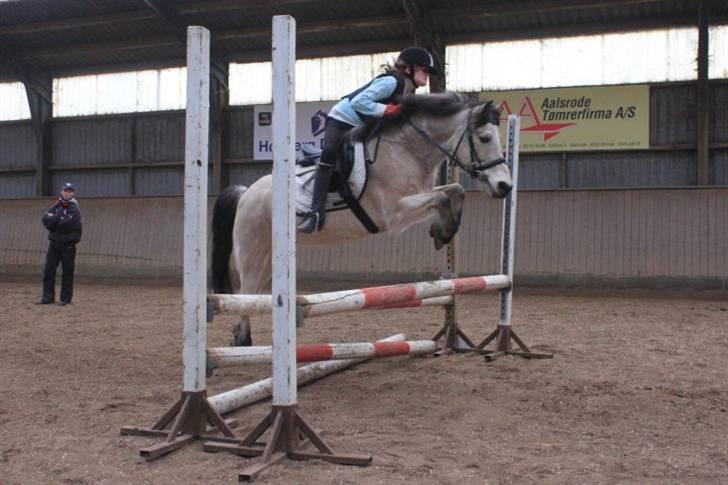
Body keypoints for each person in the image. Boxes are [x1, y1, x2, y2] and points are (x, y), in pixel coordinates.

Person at [298, 47, 438, 233]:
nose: (427, 75)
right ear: (409, 69)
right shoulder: (391, 81)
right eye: (424, 69)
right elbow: (359, 102)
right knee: (330, 152)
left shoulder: (409, 93)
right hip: (341, 120)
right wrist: (388, 110)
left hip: (363, 127)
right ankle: (315, 213)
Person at [38, 182, 82, 305]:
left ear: (72, 193)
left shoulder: (75, 209)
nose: (67, 193)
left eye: (70, 191)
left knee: (67, 271)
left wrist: (55, 220)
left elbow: (70, 225)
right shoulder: (56, 206)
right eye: (65, 190)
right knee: (49, 270)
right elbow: (46, 221)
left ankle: (65, 298)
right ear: (62, 192)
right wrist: (59, 218)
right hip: (54, 243)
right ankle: (47, 296)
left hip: (68, 244)